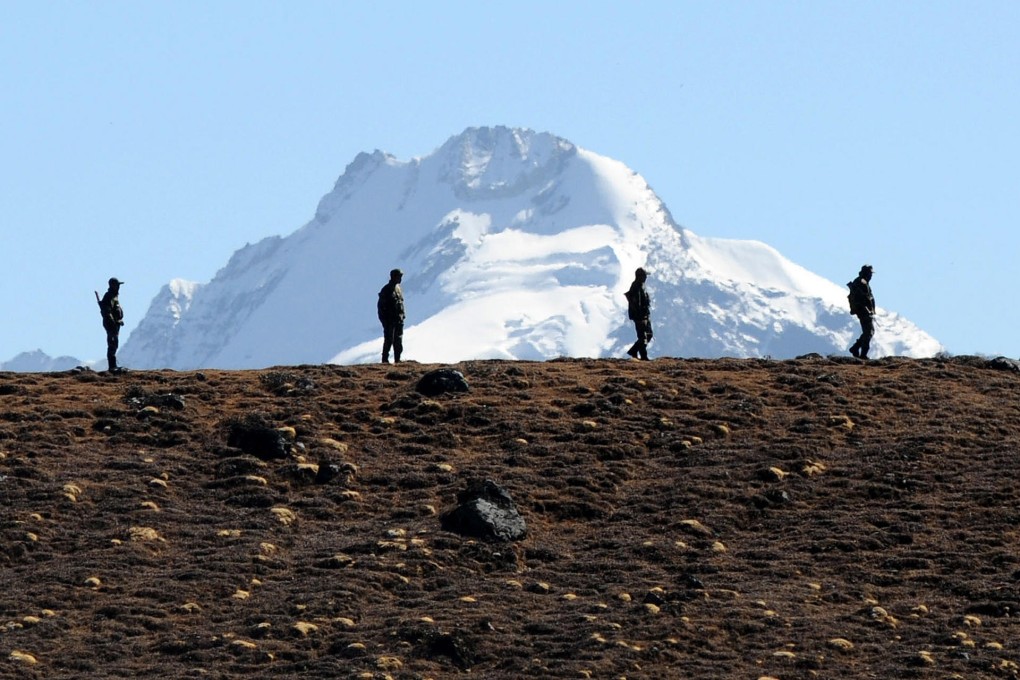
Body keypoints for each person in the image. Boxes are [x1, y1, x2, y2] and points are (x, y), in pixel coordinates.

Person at [847, 264, 876, 360]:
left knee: (868, 332)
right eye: (870, 274)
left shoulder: (863, 282)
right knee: (869, 332)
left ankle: (855, 348)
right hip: (863, 311)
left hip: (864, 311)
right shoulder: (861, 282)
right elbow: (862, 298)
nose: (871, 276)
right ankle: (862, 354)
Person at [377, 268, 405, 363]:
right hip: (389, 321)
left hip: (398, 320)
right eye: (399, 276)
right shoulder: (386, 290)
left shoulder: (398, 289)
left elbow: (401, 303)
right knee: (389, 340)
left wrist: (402, 316)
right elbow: (381, 307)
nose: (400, 279)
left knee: (398, 340)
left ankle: (397, 359)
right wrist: (384, 321)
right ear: (394, 277)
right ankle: (385, 360)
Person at [97, 277, 125, 372]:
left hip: (115, 325)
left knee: (114, 344)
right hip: (111, 325)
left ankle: (113, 366)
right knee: (112, 344)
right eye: (117, 285)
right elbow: (107, 312)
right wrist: (112, 322)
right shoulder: (109, 296)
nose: (119, 287)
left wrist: (119, 321)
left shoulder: (114, 296)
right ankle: (112, 367)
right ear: (113, 286)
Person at [624, 267, 653, 360]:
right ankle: (643, 356)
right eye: (645, 276)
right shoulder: (636, 287)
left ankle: (634, 351)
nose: (646, 278)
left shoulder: (641, 286)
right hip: (640, 316)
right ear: (640, 276)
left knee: (648, 334)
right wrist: (640, 317)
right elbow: (637, 304)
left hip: (644, 315)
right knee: (643, 336)